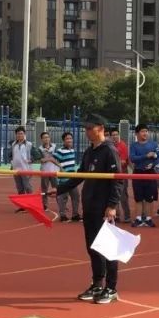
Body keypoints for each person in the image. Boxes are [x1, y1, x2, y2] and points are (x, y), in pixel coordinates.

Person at [52, 114, 126, 305]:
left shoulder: (110, 151)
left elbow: (118, 180)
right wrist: (60, 189)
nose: (86, 132)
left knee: (108, 248)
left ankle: (111, 288)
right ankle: (97, 284)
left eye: (89, 128)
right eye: (85, 128)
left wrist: (112, 206)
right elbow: (80, 175)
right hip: (90, 206)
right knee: (93, 247)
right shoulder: (89, 151)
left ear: (100, 128)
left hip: (104, 208)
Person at [129, 124, 159, 227]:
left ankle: (148, 219)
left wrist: (153, 164)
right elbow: (132, 158)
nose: (145, 133)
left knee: (149, 198)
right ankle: (138, 219)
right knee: (138, 197)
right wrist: (146, 156)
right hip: (138, 172)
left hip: (150, 173)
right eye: (142, 131)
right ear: (137, 134)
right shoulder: (134, 145)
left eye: (146, 131)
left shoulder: (154, 144)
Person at [52, 132, 81, 222]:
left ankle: (75, 215)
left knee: (76, 196)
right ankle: (63, 215)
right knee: (63, 197)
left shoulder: (72, 150)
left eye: (70, 138)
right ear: (63, 141)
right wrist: (60, 167)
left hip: (72, 178)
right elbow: (52, 159)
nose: (69, 140)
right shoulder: (60, 151)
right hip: (64, 179)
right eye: (67, 139)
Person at [110, 128, 133, 223]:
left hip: (122, 175)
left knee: (123, 196)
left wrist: (112, 164)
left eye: (116, 134)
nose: (115, 136)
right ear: (111, 137)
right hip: (113, 175)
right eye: (113, 135)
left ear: (119, 135)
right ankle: (116, 215)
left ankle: (127, 216)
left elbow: (123, 162)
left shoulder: (123, 145)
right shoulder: (109, 146)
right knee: (113, 195)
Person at [33, 131, 59, 212]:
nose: (46, 139)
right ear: (41, 139)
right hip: (44, 172)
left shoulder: (55, 147)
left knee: (57, 189)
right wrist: (50, 158)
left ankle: (61, 205)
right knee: (44, 189)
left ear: (49, 138)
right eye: (44, 138)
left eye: (47, 137)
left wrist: (48, 159)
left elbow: (57, 158)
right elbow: (41, 160)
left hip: (54, 171)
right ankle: (44, 205)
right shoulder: (40, 149)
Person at [10, 127, 34, 205]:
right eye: (18, 134)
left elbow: (37, 154)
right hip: (16, 170)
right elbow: (11, 155)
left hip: (26, 169)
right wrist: (12, 165)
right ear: (16, 135)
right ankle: (23, 205)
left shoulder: (29, 144)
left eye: (21, 133)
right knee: (20, 188)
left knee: (27, 187)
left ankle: (31, 204)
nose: (20, 135)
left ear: (24, 134)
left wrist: (31, 160)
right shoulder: (13, 144)